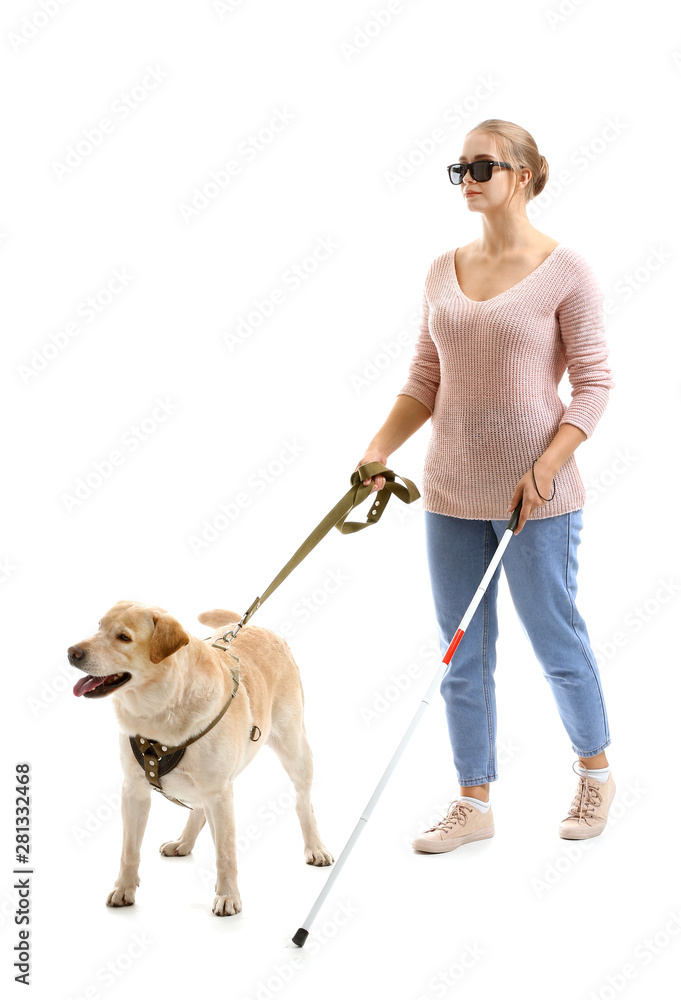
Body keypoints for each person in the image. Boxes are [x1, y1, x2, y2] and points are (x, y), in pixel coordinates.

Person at [356, 119, 616, 854]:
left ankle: (594, 771)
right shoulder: (442, 269)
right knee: (459, 650)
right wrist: (377, 449)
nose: (466, 177)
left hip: (537, 497)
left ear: (526, 174)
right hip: (449, 493)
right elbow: (424, 380)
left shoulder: (567, 271)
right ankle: (473, 799)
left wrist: (546, 463)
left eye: (482, 165)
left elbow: (594, 385)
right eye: (458, 167)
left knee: (555, 640)